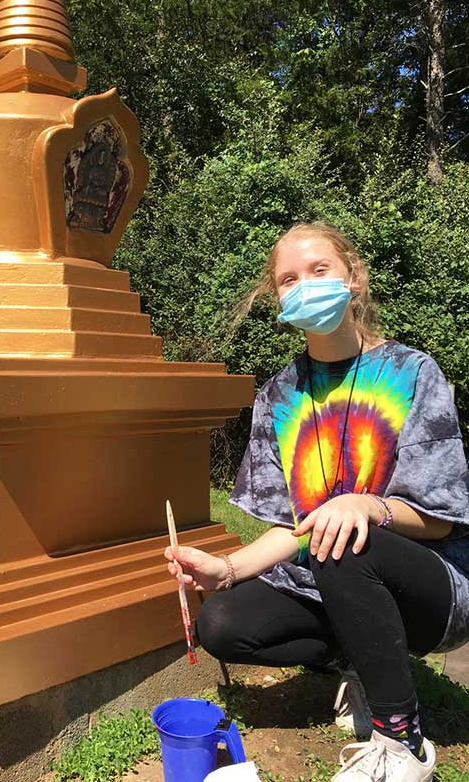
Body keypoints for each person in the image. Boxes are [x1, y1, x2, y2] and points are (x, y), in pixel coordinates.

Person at [165, 222, 469, 782]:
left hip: (432, 586)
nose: (304, 285)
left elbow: (436, 519)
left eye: (319, 270)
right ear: (275, 297)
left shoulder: (413, 372)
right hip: (330, 573)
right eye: (288, 278)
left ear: (353, 278)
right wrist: (225, 570)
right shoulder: (279, 395)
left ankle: (402, 743)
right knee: (223, 624)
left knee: (342, 538)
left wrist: (366, 506)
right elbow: (295, 527)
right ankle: (362, 662)